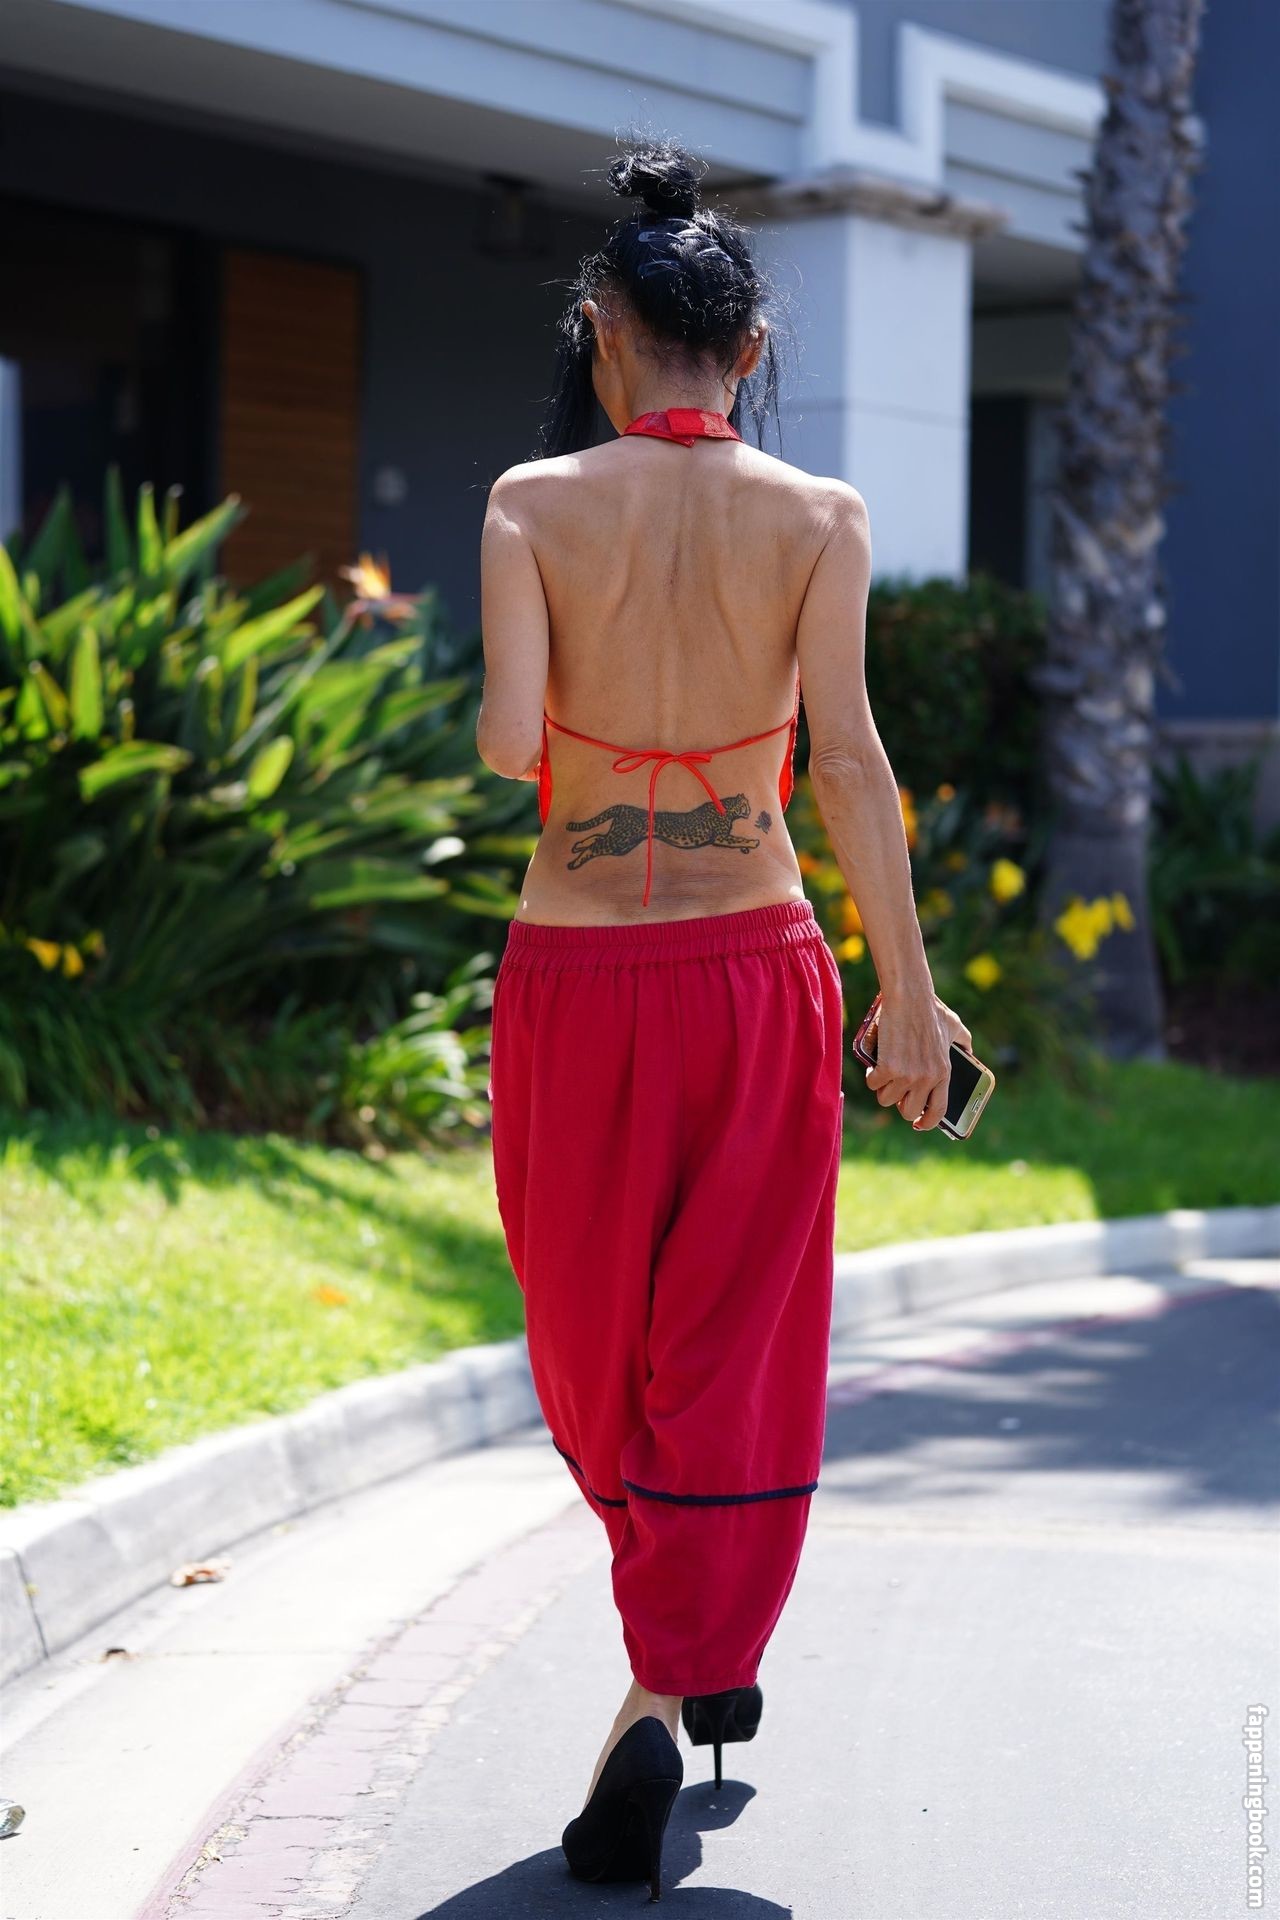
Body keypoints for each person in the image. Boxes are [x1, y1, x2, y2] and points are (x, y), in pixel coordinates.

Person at [477, 139, 971, 1899]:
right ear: (751, 350)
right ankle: (686, 1657)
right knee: (731, 1334)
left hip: (572, 978)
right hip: (757, 969)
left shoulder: (531, 503)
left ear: (601, 335)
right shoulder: (822, 518)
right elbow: (849, 763)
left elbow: (508, 744)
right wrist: (908, 996)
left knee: (597, 1342)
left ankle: (664, 1671)